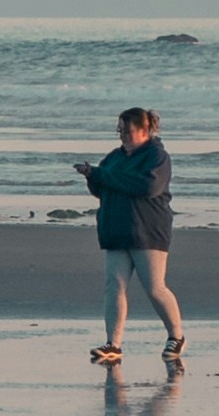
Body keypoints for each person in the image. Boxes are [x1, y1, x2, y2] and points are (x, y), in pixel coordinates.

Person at [73, 104, 182, 369]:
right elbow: (103, 188)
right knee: (114, 286)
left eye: (127, 130)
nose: (122, 135)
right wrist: (91, 176)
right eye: (119, 130)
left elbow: (147, 186)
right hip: (116, 230)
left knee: (155, 287)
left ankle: (176, 336)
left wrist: (102, 174)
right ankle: (113, 344)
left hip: (148, 231)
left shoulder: (157, 156)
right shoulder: (115, 157)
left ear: (145, 130)